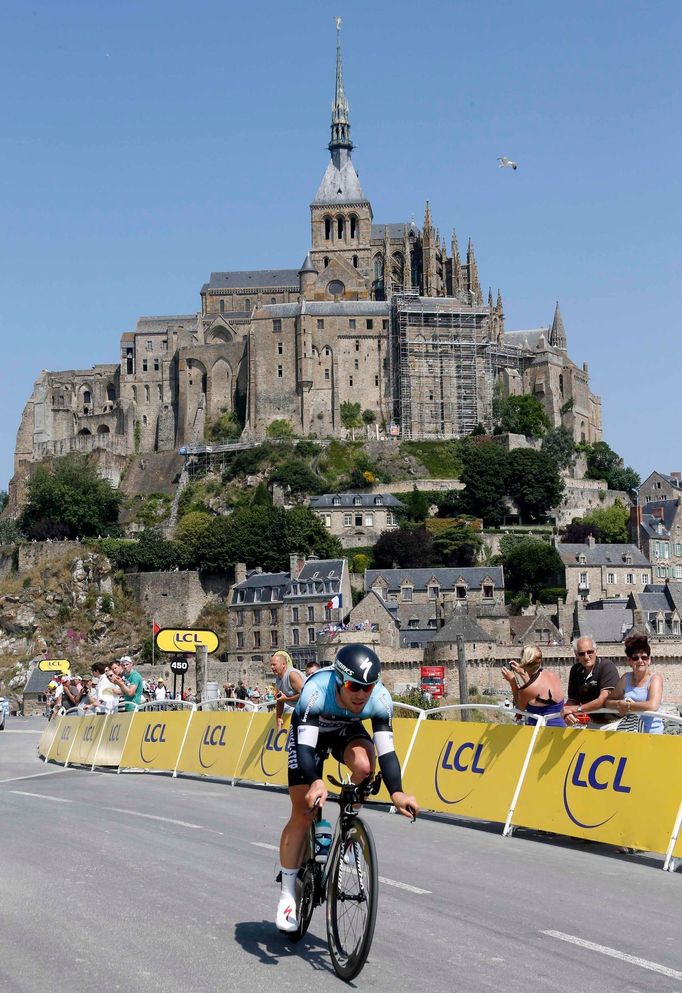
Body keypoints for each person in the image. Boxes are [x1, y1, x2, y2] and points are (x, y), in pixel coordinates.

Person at [275, 644, 419, 933]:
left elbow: (387, 752)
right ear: (340, 680)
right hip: (310, 734)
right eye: (354, 686)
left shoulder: (379, 699)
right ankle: (288, 895)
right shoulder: (315, 691)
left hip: (345, 731)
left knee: (366, 767)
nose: (361, 694)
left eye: (368, 687)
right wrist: (316, 781)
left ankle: (346, 829)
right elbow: (304, 748)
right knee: (303, 812)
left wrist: (398, 793)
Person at [607, 634, 664, 734]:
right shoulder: (626, 678)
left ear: (649, 660)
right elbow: (608, 701)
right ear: (629, 661)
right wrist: (619, 704)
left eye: (644, 657)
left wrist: (628, 706)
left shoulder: (655, 679)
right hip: (631, 733)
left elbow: (653, 705)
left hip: (652, 735)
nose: (640, 661)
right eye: (635, 658)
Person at [562, 636, 620, 727]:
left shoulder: (607, 667)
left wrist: (578, 709)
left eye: (590, 652)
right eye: (581, 653)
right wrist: (567, 713)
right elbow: (572, 701)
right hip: (593, 722)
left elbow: (603, 700)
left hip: (614, 724)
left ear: (596, 651)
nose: (586, 657)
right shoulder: (575, 670)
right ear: (576, 654)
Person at [501, 645, 566, 727]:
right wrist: (522, 673)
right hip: (561, 728)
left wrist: (512, 681)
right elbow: (536, 687)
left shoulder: (527, 690)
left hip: (542, 733)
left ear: (524, 663)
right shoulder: (553, 676)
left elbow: (519, 707)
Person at [271, 651, 305, 730]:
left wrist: (287, 699)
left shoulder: (292, 674)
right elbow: (280, 700)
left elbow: (305, 694)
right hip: (299, 710)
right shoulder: (278, 678)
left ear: (283, 665)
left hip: (311, 710)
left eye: (274, 665)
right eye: (271, 665)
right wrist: (278, 717)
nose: (272, 667)